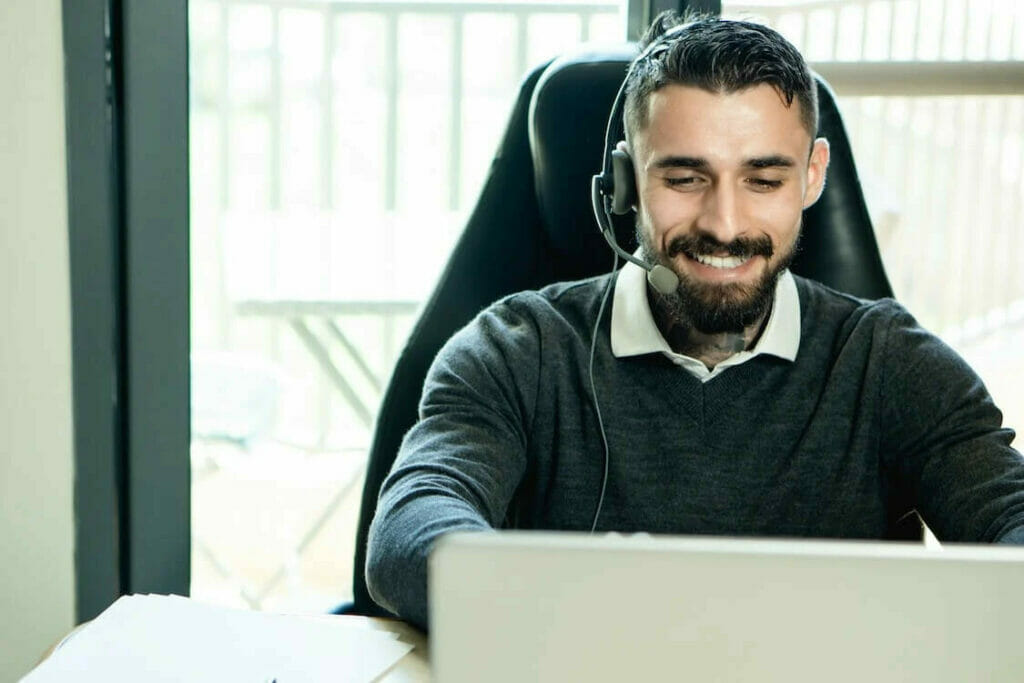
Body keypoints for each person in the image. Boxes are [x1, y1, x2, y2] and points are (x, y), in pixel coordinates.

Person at [365, 11, 1024, 629]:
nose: (724, 225)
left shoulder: (891, 361)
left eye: (763, 180)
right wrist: (591, 611)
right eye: (685, 178)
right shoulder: (516, 348)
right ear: (624, 182)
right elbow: (411, 527)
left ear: (812, 177)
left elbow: (1010, 517)